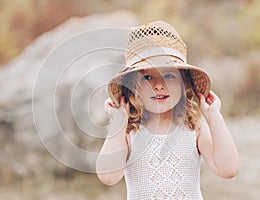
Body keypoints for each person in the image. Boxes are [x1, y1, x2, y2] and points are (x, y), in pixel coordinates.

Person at [96, 21, 239, 199]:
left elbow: (228, 169)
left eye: (169, 75)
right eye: (147, 76)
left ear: (183, 83)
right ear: (133, 86)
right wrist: (119, 120)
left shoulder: (194, 127)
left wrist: (213, 116)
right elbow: (108, 176)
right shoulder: (128, 131)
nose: (158, 85)